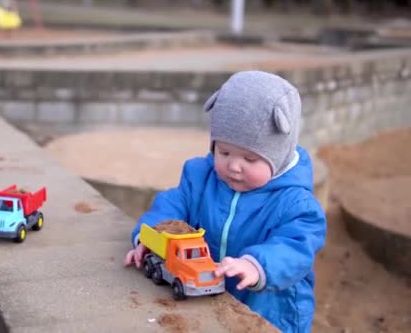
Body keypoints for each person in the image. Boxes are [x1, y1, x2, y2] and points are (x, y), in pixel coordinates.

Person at [124, 71, 327, 333]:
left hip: (270, 309)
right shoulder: (200, 177)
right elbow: (171, 206)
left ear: (279, 156)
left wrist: (256, 265)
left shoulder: (296, 204)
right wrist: (150, 238)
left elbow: (296, 246)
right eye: (224, 151)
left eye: (250, 159)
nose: (233, 166)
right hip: (213, 298)